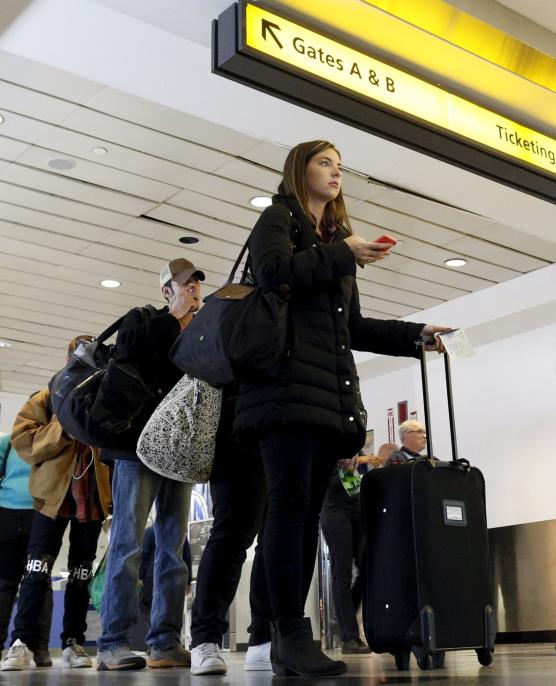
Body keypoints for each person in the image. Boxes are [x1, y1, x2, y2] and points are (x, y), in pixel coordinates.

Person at [234, 140, 450, 677]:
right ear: (299, 168)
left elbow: (352, 328)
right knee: (288, 511)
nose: (335, 173)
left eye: (339, 166)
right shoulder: (279, 218)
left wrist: (414, 335)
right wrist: (344, 252)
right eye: (324, 162)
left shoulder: (333, 242)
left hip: (323, 400)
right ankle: (286, 632)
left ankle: (287, 639)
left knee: (301, 516)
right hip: (280, 393)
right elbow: (272, 272)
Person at [97, 257, 204, 671]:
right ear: (167, 291)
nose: (193, 290)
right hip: (135, 450)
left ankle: (164, 640)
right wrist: (172, 321)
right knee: (127, 545)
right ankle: (113, 642)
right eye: (184, 285)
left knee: (174, 551)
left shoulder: (202, 332)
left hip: (182, 452)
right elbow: (129, 352)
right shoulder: (142, 321)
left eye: (196, 284)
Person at [0, 336, 112, 671]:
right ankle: (20, 642)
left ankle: (73, 642)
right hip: (51, 498)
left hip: (92, 498)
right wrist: (64, 424)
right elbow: (24, 441)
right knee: (36, 570)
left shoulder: (107, 394)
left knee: (81, 573)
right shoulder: (48, 396)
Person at [188, 390, 269, 675]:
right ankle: (205, 638)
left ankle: (264, 637)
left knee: (276, 538)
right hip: (236, 419)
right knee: (233, 534)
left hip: (284, 419)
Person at [0, 433, 54, 669]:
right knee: (6, 582)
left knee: (38, 579)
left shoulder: (53, 438)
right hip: (6, 515)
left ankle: (37, 646)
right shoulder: (8, 440)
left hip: (40, 512)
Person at [319, 452, 383, 655]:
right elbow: (329, 487)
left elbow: (353, 489)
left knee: (367, 570)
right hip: (335, 513)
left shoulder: (356, 454)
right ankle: (349, 636)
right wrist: (349, 469)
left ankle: (348, 616)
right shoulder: (328, 453)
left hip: (356, 512)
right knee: (342, 574)